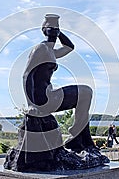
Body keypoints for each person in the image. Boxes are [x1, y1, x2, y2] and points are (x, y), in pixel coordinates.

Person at [23, 13, 99, 154]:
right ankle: (75, 136)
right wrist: (31, 105)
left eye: (56, 27)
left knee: (86, 92)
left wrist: (59, 33)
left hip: (50, 95)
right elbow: (27, 74)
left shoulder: (52, 51)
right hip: (43, 99)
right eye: (50, 27)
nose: (53, 30)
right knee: (85, 92)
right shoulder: (40, 49)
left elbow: (70, 46)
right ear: (44, 30)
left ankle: (77, 137)